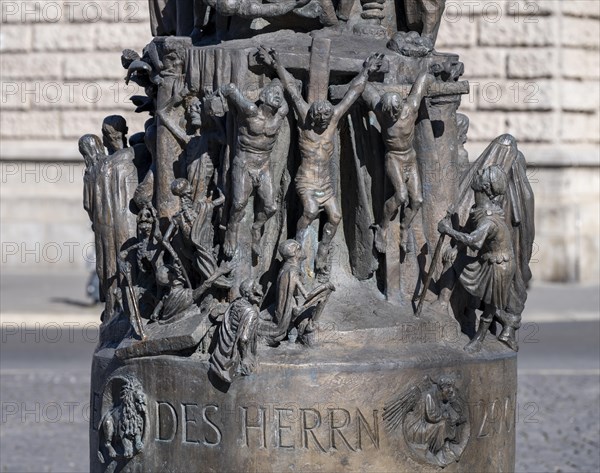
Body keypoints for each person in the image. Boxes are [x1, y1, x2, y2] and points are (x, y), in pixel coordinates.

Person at [257, 46, 383, 274]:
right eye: (319, 120)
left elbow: (352, 94)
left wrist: (366, 71)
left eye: (326, 119)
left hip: (325, 183)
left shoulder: (333, 119)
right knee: (311, 211)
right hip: (306, 181)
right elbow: (293, 92)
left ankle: (323, 251)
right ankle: (296, 244)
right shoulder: (306, 118)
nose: (323, 123)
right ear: (313, 117)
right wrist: (275, 65)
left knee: (335, 216)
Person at [437, 165, 516, 353]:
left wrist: (448, 230)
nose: (477, 173)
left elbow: (474, 241)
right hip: (487, 261)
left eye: (481, 174)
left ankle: (478, 339)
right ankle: (509, 322)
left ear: (486, 187)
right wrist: (456, 247)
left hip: (499, 265)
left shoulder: (487, 220)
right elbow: (468, 231)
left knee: (490, 305)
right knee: (486, 298)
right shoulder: (478, 209)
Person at [362, 71, 436, 253]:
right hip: (393, 157)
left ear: (400, 107)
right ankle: (382, 227)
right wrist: (365, 71)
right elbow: (364, 88)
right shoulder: (381, 110)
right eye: (388, 114)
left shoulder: (410, 108)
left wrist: (434, 78)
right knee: (401, 196)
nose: (391, 117)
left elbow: (422, 80)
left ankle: (405, 227)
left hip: (409, 157)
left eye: (394, 113)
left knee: (417, 200)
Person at [219, 80, 289, 258]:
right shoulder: (250, 111)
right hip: (244, 163)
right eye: (272, 92)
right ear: (262, 96)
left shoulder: (280, 115)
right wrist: (224, 94)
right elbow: (231, 89)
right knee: (238, 204)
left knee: (271, 207)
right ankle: (231, 229)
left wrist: (277, 78)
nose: (277, 96)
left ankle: (256, 228)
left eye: (279, 95)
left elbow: (287, 93)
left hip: (263, 166)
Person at [209, 279, 263, 383]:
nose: (259, 294)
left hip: (224, 347)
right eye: (255, 291)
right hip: (235, 352)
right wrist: (244, 358)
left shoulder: (236, 303)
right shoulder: (251, 313)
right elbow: (243, 338)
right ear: (247, 294)